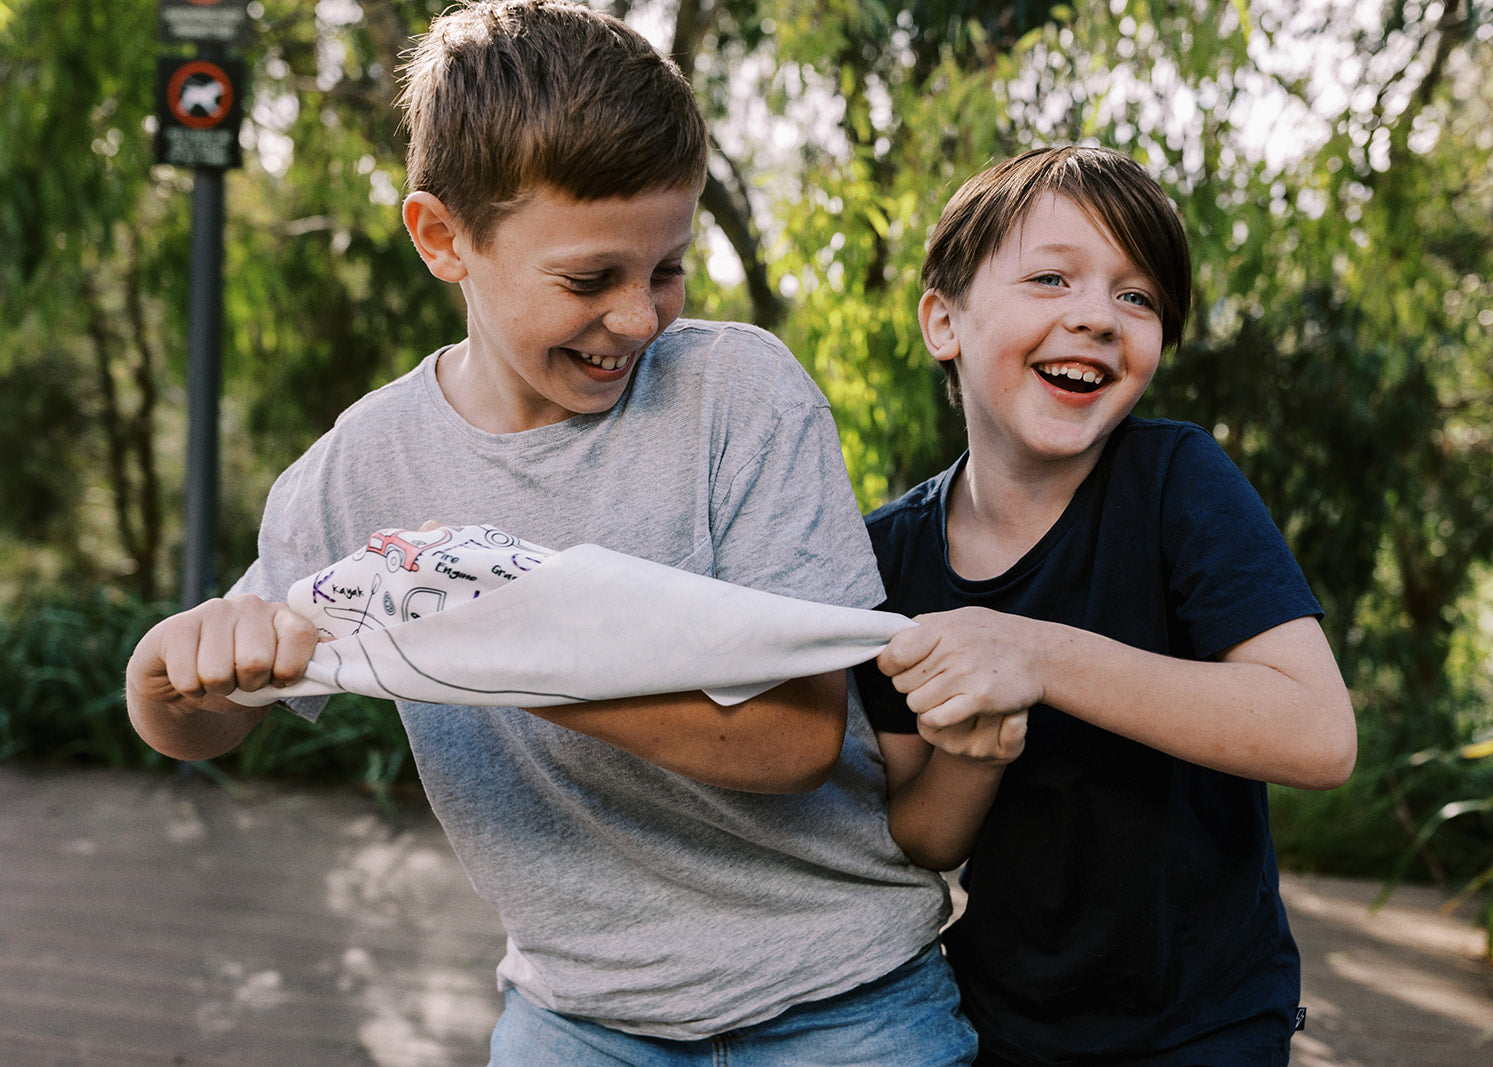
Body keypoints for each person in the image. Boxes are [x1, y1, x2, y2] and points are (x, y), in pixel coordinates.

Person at [125, 2, 974, 1062]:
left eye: (666, 268)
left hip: (842, 1000)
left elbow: (795, 737)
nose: (639, 317)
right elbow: (213, 717)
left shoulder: (739, 395)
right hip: (576, 1014)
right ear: (444, 239)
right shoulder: (360, 469)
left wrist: (481, 645)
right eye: (588, 279)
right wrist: (166, 679)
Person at [853, 145, 1358, 1066]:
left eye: (1138, 297)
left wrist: (1039, 656)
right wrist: (973, 754)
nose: (1097, 315)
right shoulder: (889, 554)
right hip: (1000, 1016)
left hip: (1203, 1019)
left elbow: (1318, 733)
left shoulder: (1177, 481)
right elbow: (922, 834)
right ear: (943, 320)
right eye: (1052, 278)